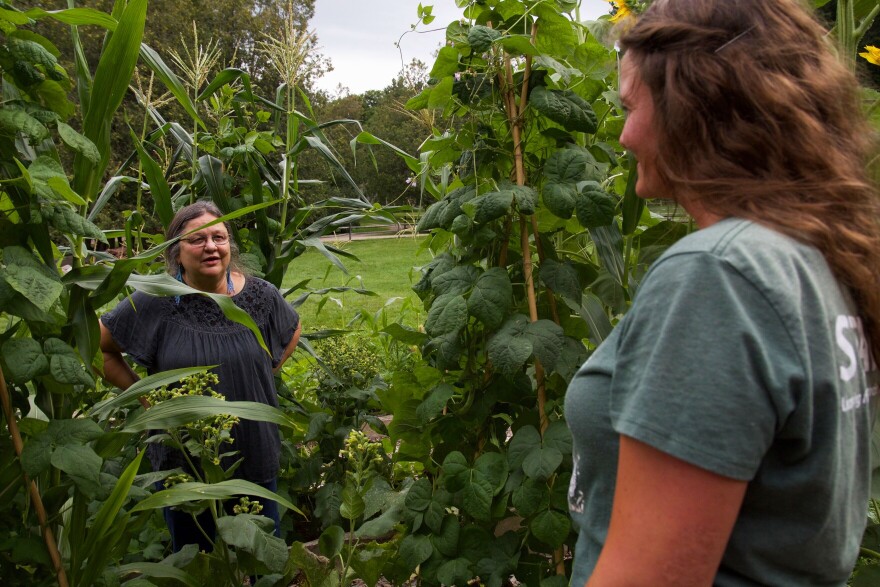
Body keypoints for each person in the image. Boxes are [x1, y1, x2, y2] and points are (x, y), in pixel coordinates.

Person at [565, 0, 880, 585]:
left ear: (690, 107)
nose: (624, 133)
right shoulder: (816, 259)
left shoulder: (719, 277)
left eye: (630, 108)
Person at [100, 201, 301, 552]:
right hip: (186, 462)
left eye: (219, 237)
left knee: (264, 557)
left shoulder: (261, 296)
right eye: (197, 239)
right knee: (197, 559)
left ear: (229, 246)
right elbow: (99, 347)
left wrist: (265, 371)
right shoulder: (155, 301)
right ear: (176, 252)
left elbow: (292, 328)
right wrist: (148, 397)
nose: (211, 246)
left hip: (252, 449)